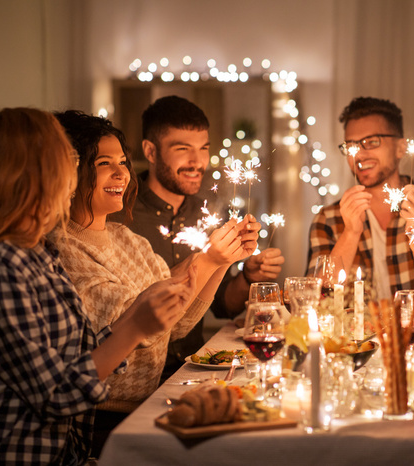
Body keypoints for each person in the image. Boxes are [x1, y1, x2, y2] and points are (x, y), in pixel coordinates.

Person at [0, 108, 194, 464]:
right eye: (68, 163)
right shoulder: (1, 266)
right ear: (26, 176)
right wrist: (136, 326)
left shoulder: (37, 253)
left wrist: (139, 317)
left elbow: (82, 353)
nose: (73, 179)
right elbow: (56, 393)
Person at [49, 110, 259, 452]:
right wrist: (207, 259)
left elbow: (176, 323)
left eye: (122, 162)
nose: (122, 173)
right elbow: (142, 327)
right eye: (104, 163)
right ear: (69, 171)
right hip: (101, 422)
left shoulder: (128, 239)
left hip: (150, 403)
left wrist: (222, 260)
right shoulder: (61, 249)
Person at [111, 96, 284, 367]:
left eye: (204, 148)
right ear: (151, 151)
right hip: (132, 375)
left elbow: (224, 305)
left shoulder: (209, 211)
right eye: (182, 148)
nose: (197, 161)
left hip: (196, 366)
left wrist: (248, 275)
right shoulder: (119, 215)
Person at [306, 97, 414, 300]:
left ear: (401, 148)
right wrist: (351, 232)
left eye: (372, 142)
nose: (359, 155)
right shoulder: (328, 218)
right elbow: (314, 304)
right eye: (351, 146)